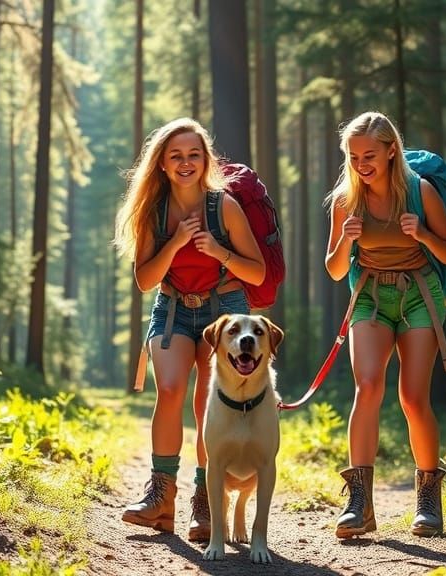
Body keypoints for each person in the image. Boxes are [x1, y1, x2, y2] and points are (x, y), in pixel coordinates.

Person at [113, 117, 266, 541]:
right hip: (174, 310)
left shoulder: (224, 206)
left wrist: (218, 250)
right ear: (161, 163)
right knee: (171, 388)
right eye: (176, 156)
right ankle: (161, 495)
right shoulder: (153, 212)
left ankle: (204, 501)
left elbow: (256, 272)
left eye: (193, 155)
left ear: (205, 160)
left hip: (225, 310)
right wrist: (176, 243)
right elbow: (145, 280)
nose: (185, 163)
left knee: (206, 402)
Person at [324, 111, 446, 539]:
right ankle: (359, 504)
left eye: (369, 155)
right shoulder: (347, 200)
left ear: (390, 151)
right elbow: (333, 269)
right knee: (367, 384)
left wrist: (422, 233)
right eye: (353, 155)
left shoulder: (420, 192)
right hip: (368, 297)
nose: (361, 164)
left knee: (413, 398)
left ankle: (428, 500)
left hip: (419, 296)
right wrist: (347, 238)